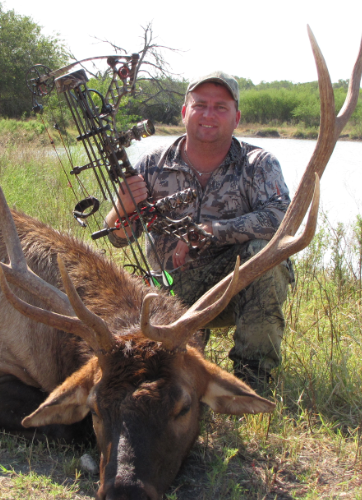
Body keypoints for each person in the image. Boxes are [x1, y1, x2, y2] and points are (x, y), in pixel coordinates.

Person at [103, 71, 294, 384]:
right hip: (170, 293)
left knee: (267, 258)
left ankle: (252, 381)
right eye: (200, 105)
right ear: (184, 113)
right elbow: (120, 238)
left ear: (236, 118)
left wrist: (208, 231)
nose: (209, 114)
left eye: (221, 107)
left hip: (234, 288)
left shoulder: (258, 163)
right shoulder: (152, 163)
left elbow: (281, 219)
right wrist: (120, 209)